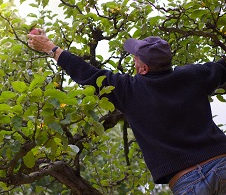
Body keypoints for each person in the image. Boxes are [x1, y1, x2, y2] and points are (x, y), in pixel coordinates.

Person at [27, 29, 226, 195]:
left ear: (144, 68)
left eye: (135, 57)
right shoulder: (194, 75)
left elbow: (87, 74)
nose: (133, 59)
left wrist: (50, 47)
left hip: (188, 182)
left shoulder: (129, 90)